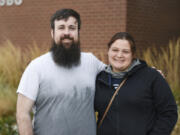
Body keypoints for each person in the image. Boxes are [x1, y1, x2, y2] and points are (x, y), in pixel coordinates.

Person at [16, 9, 105, 135]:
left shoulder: (92, 62)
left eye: (72, 28)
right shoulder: (37, 67)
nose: (67, 33)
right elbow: (22, 114)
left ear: (78, 32)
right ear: (52, 33)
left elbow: (118, 75)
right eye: (61, 28)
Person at [94, 32, 178, 135]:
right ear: (108, 51)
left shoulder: (151, 77)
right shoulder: (99, 79)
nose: (119, 55)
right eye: (115, 50)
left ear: (133, 54)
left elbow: (169, 112)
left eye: (125, 51)